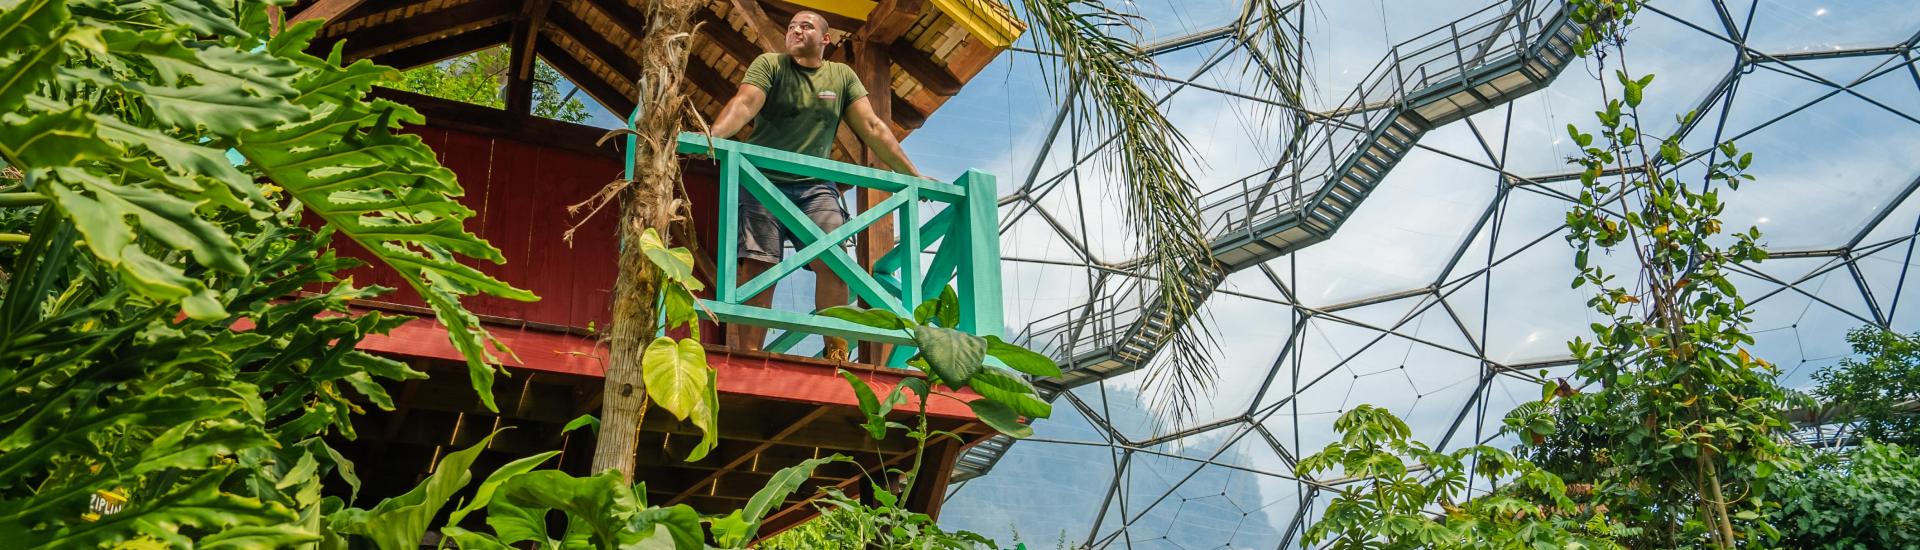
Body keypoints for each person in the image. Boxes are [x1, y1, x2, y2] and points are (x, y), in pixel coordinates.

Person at [702, 10, 927, 361]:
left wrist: (912, 175)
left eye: (806, 26)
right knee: (758, 265)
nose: (796, 30)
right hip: (762, 179)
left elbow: (872, 126)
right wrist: (713, 137)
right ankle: (748, 354)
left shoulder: (841, 76)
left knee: (836, 259)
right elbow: (746, 103)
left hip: (815, 187)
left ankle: (835, 349)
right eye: (792, 26)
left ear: (826, 39)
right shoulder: (770, 65)